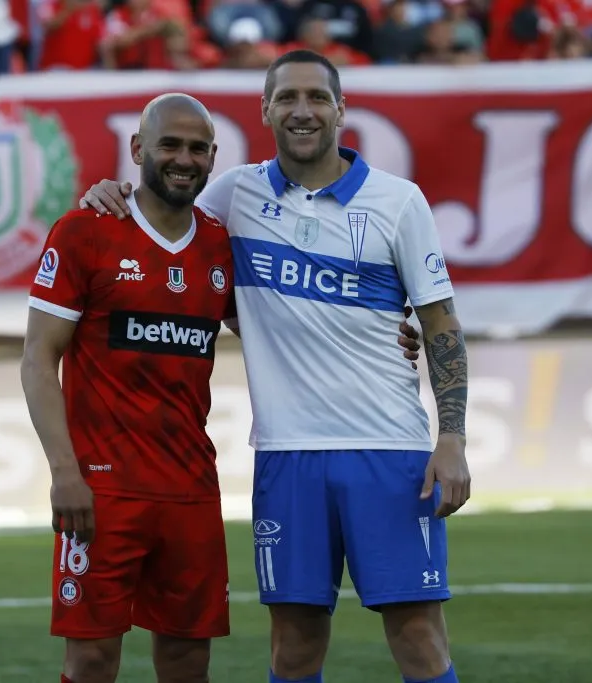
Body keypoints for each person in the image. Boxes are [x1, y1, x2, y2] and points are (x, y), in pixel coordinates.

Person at [79, 50, 472, 683]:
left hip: (389, 448)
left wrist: (451, 439)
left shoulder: (399, 201)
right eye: (287, 97)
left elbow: (441, 326)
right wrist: (112, 191)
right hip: (287, 454)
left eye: (317, 97)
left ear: (340, 109)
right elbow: (164, 214)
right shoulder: (235, 194)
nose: (302, 110)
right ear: (265, 110)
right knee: (293, 642)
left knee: (418, 635)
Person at [20, 93, 237, 683]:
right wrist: (65, 473)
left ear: (212, 157)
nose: (184, 159)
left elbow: (281, 332)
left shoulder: (222, 246)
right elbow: (38, 359)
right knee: (91, 659)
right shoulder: (85, 232)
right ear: (139, 149)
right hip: (103, 491)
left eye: (197, 148)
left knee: (188, 660)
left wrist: (391, 330)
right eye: (170, 145)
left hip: (191, 489)